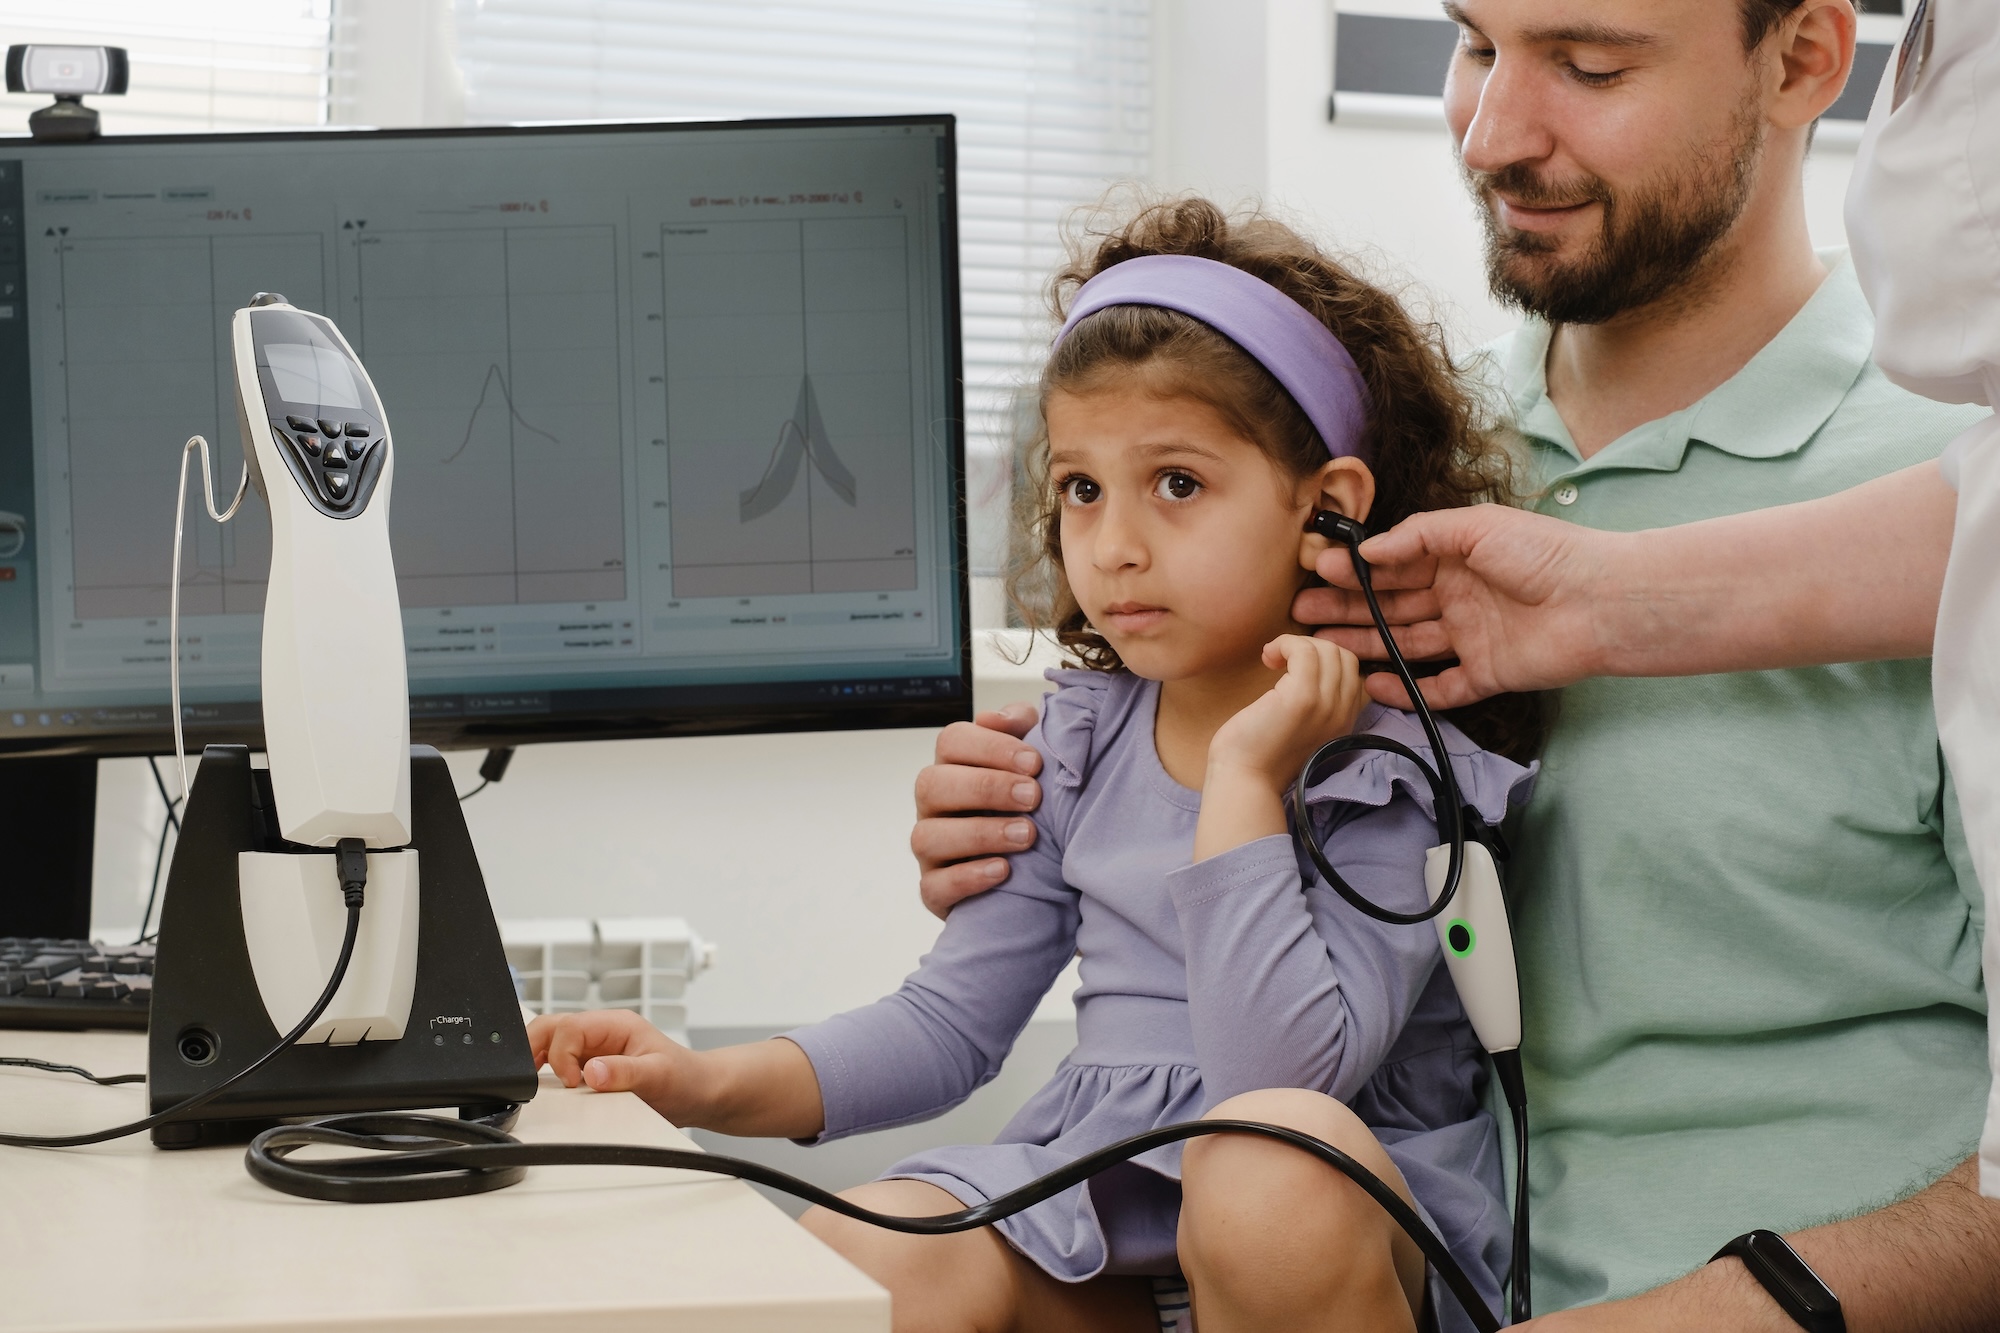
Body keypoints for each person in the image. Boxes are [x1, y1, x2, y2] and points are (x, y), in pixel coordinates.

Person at [914, 1, 2000, 1327]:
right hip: (1369, 1277)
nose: (1491, 135)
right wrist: (1049, 825)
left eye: (1591, 66)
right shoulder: (1366, 467)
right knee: (889, 1261)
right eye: (1477, 44)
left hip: (1784, 1300)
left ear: (1806, 60)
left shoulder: (1952, 486)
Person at [532, 201, 1539, 1333]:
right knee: (860, 1253)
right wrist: (698, 1082)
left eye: (1176, 484)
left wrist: (1248, 780)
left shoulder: (1391, 772)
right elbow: (947, 1026)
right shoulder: (1080, 739)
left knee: (1265, 1170)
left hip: (1322, 1239)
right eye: (1079, 488)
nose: (1111, 545)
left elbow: (1284, 1079)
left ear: (1329, 509)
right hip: (1105, 1215)